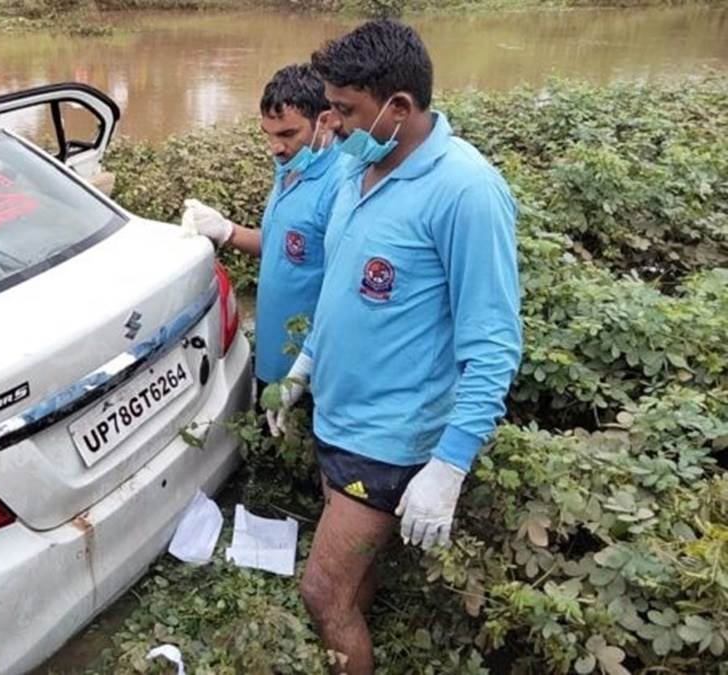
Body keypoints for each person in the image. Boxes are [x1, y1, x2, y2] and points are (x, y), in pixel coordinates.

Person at [266, 20, 522, 674]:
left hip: (387, 437)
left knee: (320, 592)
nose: (334, 127)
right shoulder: (358, 170)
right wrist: (305, 366)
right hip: (338, 414)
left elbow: (492, 344)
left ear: (398, 107)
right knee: (349, 581)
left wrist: (450, 464)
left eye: (346, 112)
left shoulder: (466, 191)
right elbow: (342, 290)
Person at [183, 63, 344, 425]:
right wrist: (227, 231)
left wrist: (303, 373)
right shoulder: (290, 167)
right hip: (273, 353)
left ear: (327, 120)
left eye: (287, 133)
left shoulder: (341, 185)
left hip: (311, 371)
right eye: (268, 134)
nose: (275, 147)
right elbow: (285, 247)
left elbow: (344, 294)